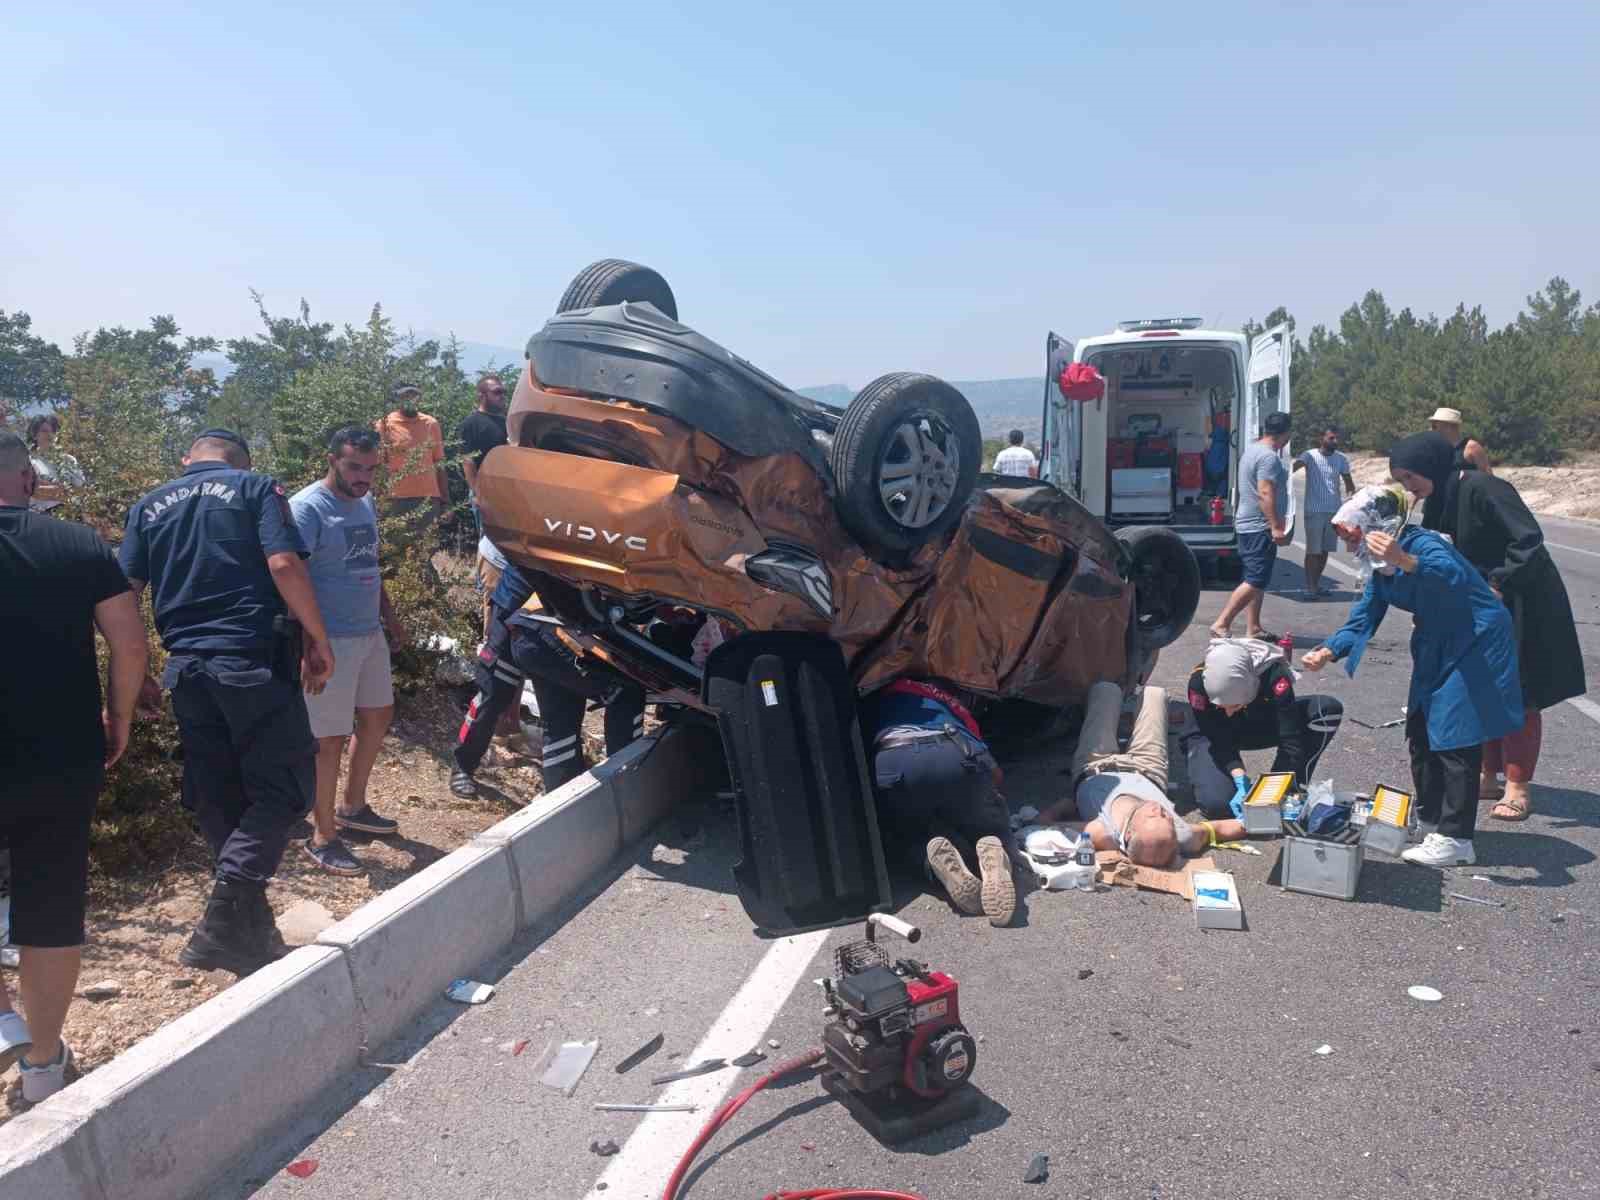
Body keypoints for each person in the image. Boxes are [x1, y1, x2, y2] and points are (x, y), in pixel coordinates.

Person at [118, 429, 335, 974]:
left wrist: (134, 668)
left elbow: (124, 594)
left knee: (219, 793)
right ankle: (219, 919)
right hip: (251, 660)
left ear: (187, 458)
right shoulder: (255, 488)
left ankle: (249, 933)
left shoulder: (148, 506)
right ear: (241, 459)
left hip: (186, 670)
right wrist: (318, 636)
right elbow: (284, 565)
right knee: (287, 791)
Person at [1, 431, 148, 1101]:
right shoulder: (79, 545)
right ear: (28, 480)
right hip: (60, 753)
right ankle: (40, 1066)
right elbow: (130, 644)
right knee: (49, 904)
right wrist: (118, 718)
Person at [1302, 481, 1522, 868]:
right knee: (1420, 727)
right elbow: (1363, 617)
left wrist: (1405, 560)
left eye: (1352, 533)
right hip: (1438, 641)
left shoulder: (1421, 545)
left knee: (1455, 734)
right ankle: (1432, 820)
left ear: (1375, 525)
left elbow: (1450, 574)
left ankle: (1457, 839)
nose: (1349, 544)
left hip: (1476, 639)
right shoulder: (1380, 568)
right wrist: (1329, 649)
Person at [1389, 432, 1584, 822]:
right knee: (1480, 685)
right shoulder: (1440, 500)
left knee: (1518, 692)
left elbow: (1528, 540)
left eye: (1411, 478)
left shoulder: (1484, 487)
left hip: (1518, 598)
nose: (1409, 488)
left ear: (1431, 466)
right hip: (1478, 602)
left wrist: (1498, 583)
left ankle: (1518, 788)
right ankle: (1488, 776)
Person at [289, 429, 406, 876]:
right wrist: (309, 646)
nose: (363, 478)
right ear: (332, 460)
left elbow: (368, 563)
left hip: (367, 631)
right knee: (328, 740)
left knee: (378, 716)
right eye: (355, 467)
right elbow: (291, 581)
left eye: (372, 469)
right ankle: (322, 835)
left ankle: (353, 807)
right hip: (329, 638)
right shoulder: (307, 509)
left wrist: (389, 616)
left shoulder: (365, 501)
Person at [450, 561, 645, 798]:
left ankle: (563, 792)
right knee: (494, 690)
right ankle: (463, 765)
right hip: (516, 603)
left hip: (556, 613)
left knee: (563, 706)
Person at [862, 679, 1016, 926]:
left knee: (903, 835)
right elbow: (994, 772)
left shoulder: (869, 701)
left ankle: (932, 863)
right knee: (985, 824)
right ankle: (992, 849)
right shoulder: (941, 698)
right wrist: (993, 803)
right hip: (954, 755)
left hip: (895, 764)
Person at [1040, 682, 1246, 867]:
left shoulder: (1102, 834)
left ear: (1129, 834)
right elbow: (1219, 829)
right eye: (1166, 816)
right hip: (1148, 769)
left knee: (1105, 690)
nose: (1158, 809)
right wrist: (1262, 815)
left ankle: (1120, 711)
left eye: (1151, 816)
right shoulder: (1183, 834)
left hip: (1096, 765)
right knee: (1155, 694)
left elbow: (1043, 827)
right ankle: (1129, 714)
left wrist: (1064, 806)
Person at [1185, 639, 1344, 817]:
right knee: (1218, 805)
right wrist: (1238, 774)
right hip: (1211, 736)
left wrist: (1276, 787)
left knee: (1326, 710)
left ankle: (1291, 786)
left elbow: (1289, 734)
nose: (1229, 712)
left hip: (1254, 721)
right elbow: (1216, 737)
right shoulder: (1199, 683)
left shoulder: (1273, 674)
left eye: (1236, 705)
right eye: (1222, 706)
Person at [1210, 411, 1292, 640]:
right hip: (1258, 526)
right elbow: (1265, 492)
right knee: (1256, 579)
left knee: (1256, 578)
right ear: (1285, 433)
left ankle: (1253, 627)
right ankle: (1222, 622)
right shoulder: (1268, 457)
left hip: (1248, 523)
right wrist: (1275, 525)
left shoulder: (1252, 449)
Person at [375, 382, 447, 549]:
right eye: (405, 396)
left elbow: (439, 463)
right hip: (395, 499)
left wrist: (445, 499)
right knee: (396, 550)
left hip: (428, 499)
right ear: (397, 398)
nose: (410, 399)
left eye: (414, 395)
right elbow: (379, 466)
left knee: (426, 550)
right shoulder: (384, 425)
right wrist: (378, 500)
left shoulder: (430, 423)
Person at [1291, 427, 1355, 597]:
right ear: (1322, 438)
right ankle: (1310, 587)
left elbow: (1349, 484)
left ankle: (1316, 585)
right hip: (1314, 511)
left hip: (1334, 512)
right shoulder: (1309, 455)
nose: (1335, 441)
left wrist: (1350, 501)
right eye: (1332, 438)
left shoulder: (1341, 459)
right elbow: (1292, 469)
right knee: (1313, 550)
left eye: (1337, 438)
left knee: (1325, 550)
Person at [459, 374, 509, 540]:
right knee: (487, 540)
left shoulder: (506, 423)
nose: (502, 396)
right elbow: (467, 460)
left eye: (503, 392)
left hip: (505, 491)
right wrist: (477, 493)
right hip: (484, 492)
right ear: (482, 396)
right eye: (497, 392)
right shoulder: (471, 423)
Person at [25, 413, 83, 511]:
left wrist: (48, 490)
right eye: (44, 431)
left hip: (70, 514)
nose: (50, 434)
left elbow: (80, 489)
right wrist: (63, 491)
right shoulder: (27, 462)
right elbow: (33, 492)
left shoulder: (68, 460)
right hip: (41, 516)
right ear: (34, 435)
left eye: (53, 431)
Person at [1426, 407, 1493, 475]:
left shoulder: (1471, 447)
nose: (1430, 429)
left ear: (1448, 426)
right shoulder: (1436, 449)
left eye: (1434, 426)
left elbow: (1489, 478)